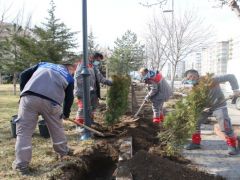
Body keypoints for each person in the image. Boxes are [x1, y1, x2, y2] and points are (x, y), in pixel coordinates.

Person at [12, 62, 75, 175]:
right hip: (52, 103)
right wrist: (66, 113)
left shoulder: (43, 64)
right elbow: (69, 97)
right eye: (72, 71)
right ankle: (63, 153)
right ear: (68, 68)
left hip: (28, 98)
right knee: (57, 129)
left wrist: (23, 92)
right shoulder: (68, 76)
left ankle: (21, 166)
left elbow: (23, 75)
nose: (73, 73)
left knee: (24, 133)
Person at [183, 69, 240, 155]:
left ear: (198, 76)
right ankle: (196, 143)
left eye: (193, 76)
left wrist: (235, 89)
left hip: (218, 106)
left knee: (225, 126)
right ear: (186, 79)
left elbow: (230, 77)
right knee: (194, 122)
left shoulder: (210, 79)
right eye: (189, 77)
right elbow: (190, 100)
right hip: (204, 108)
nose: (191, 79)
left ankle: (233, 146)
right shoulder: (189, 85)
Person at [74, 52, 112, 140]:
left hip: (92, 91)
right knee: (82, 108)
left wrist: (110, 83)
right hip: (82, 91)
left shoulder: (94, 66)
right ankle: (79, 125)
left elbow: (100, 78)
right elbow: (78, 77)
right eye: (97, 60)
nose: (98, 62)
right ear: (92, 57)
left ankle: (90, 122)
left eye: (99, 61)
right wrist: (87, 86)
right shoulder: (82, 65)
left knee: (93, 107)